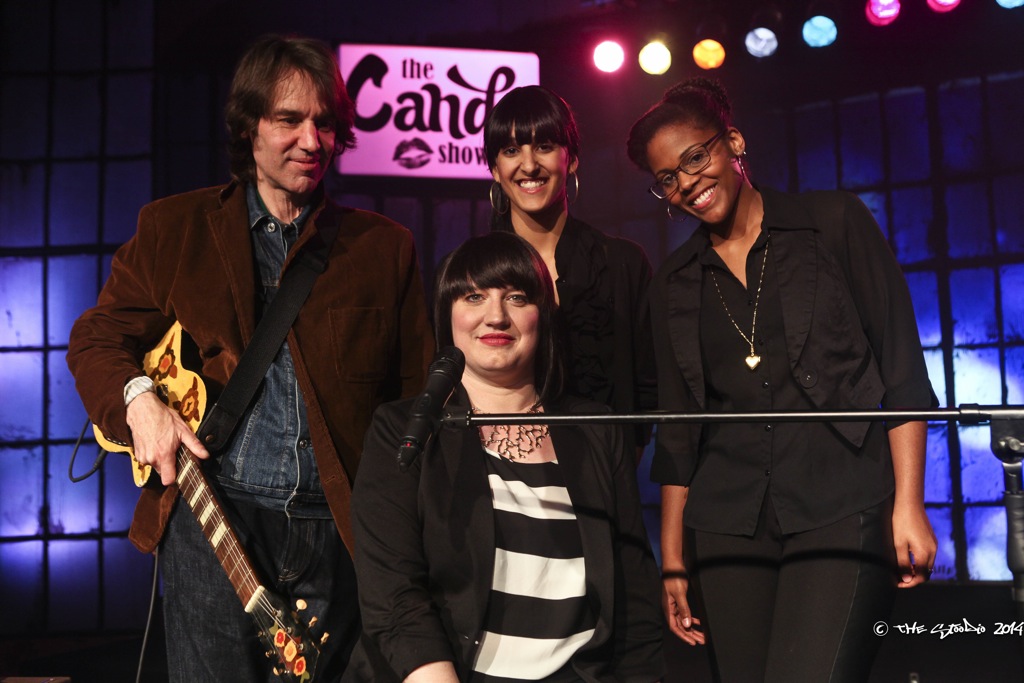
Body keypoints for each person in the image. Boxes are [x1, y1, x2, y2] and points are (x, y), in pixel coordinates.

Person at [66, 35, 434, 681]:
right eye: (289, 120)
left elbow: (412, 403)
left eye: (325, 122)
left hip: (339, 535)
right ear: (248, 127)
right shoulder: (174, 227)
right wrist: (138, 400)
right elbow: (97, 338)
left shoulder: (384, 247)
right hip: (214, 523)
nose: (312, 141)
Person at [625, 78, 937, 682]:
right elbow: (679, 431)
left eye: (696, 157)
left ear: (734, 142)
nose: (687, 182)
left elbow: (901, 368)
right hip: (726, 526)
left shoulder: (833, 224)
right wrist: (673, 559)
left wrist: (909, 503)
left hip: (841, 502)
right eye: (667, 178)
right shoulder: (674, 283)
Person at [344, 231, 664, 682]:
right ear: (447, 313)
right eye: (474, 297)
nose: (495, 316)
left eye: (516, 297)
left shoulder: (595, 429)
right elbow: (393, 594)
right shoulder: (403, 429)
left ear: (542, 315)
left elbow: (635, 598)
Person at [485, 86, 657, 453]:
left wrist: (618, 465)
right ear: (494, 169)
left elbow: (648, 387)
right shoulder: (472, 273)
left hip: (605, 471)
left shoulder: (623, 264)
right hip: (500, 474)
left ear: (572, 158)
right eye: (511, 150)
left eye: (544, 146)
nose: (529, 165)